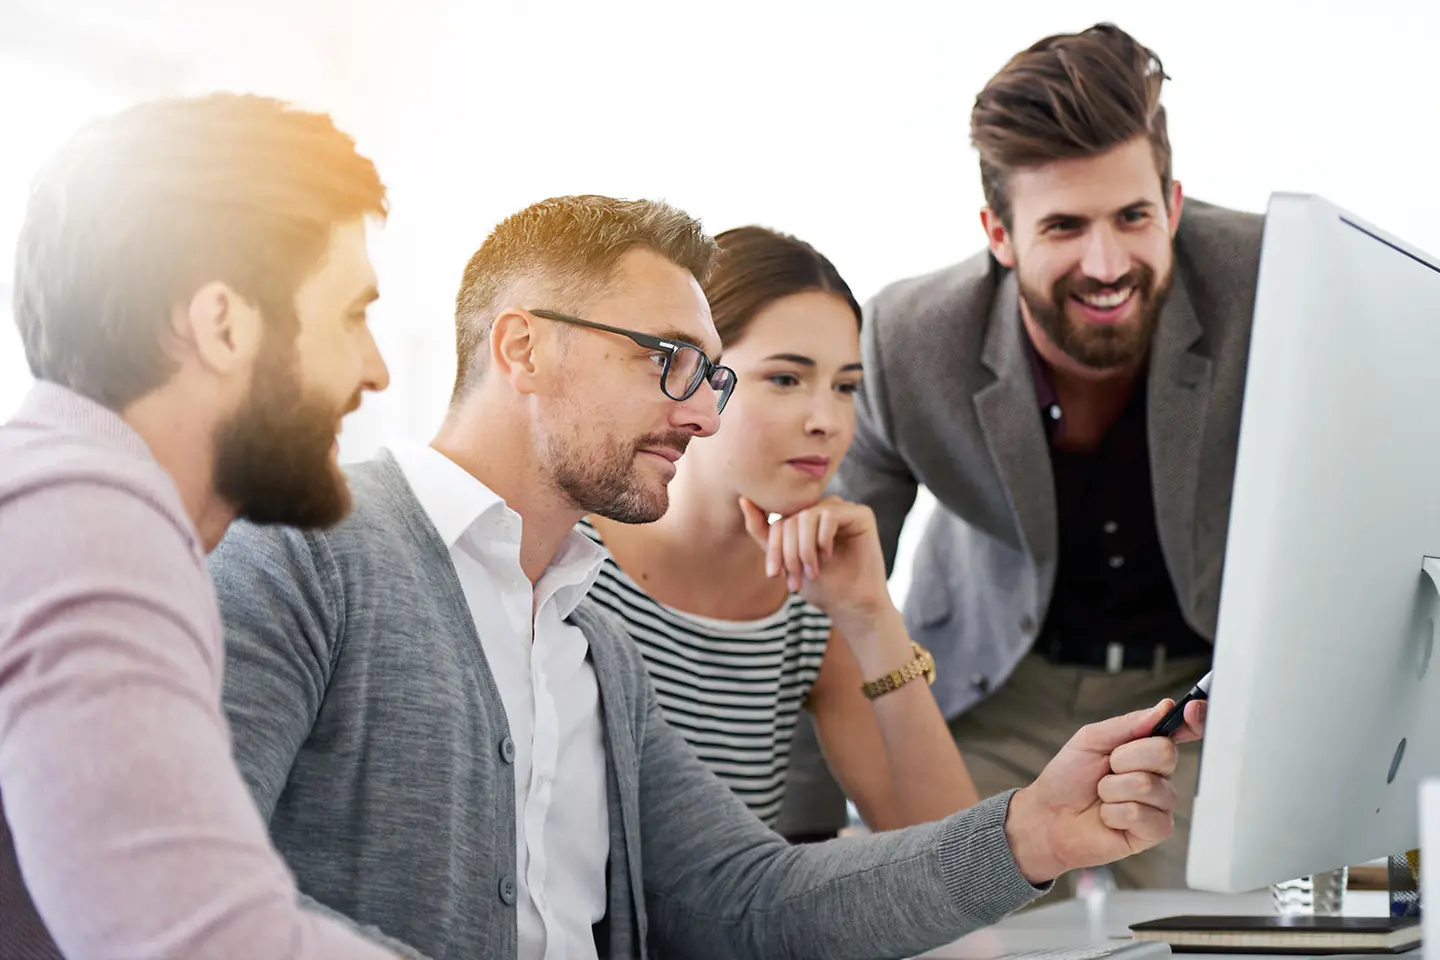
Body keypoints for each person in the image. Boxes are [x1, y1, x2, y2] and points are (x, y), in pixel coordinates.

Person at [209, 193, 1205, 960]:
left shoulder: (585, 636)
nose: (699, 413)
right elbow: (185, 891)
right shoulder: (304, 549)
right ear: (522, 345)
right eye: (668, 362)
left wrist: (1033, 831)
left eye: (712, 376)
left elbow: (750, 898)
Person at [830, 22, 1263, 893]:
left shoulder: (1275, 282)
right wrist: (797, 825)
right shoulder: (902, 342)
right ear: (998, 231)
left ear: (1172, 206)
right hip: (999, 688)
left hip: (1202, 694)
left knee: (1238, 924)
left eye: (1133, 217)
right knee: (922, 912)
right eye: (1063, 226)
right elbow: (826, 602)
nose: (1107, 264)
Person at [0, 94, 419, 959]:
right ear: (223, 324)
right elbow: (205, 944)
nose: (375, 370)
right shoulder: (92, 521)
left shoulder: (56, 496)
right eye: (350, 315)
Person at [581, 225, 978, 840]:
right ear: (692, 372)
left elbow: (960, 866)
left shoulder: (809, 603)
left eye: (845, 387)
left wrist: (871, 616)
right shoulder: (570, 562)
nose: (827, 422)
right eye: (786, 379)